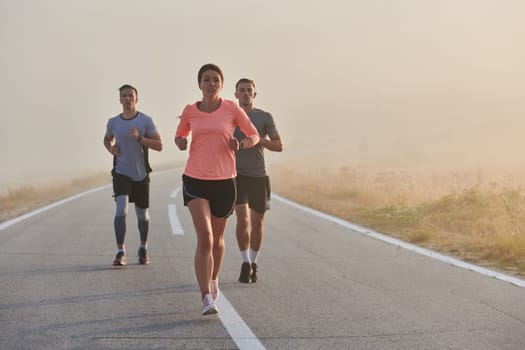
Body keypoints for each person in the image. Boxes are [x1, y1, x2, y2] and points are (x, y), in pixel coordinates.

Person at [174, 64, 260, 316]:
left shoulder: (231, 109)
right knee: (206, 237)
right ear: (199, 84)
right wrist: (180, 141)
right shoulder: (190, 111)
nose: (210, 84)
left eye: (215, 80)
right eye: (206, 80)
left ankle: (213, 279)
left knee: (218, 240)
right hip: (194, 179)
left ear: (221, 84)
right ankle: (205, 298)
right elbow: (180, 135)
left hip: (224, 181)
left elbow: (253, 134)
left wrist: (241, 143)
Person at [103, 84, 163, 267]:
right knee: (121, 209)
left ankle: (143, 247)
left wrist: (140, 139)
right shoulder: (113, 121)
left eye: (131, 95)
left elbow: (159, 145)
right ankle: (120, 251)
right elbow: (107, 138)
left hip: (141, 174)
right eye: (124, 96)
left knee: (142, 215)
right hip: (121, 172)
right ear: (120, 99)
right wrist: (110, 148)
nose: (128, 99)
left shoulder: (145, 121)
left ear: (137, 99)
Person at [233, 78, 283, 283]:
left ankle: (254, 262)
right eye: (241, 91)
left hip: (259, 176)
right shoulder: (229, 116)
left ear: (254, 94)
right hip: (236, 176)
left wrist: (256, 139)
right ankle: (245, 263)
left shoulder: (264, 117)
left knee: (257, 223)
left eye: (249, 91)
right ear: (235, 94)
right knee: (242, 220)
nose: (245, 94)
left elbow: (278, 145)